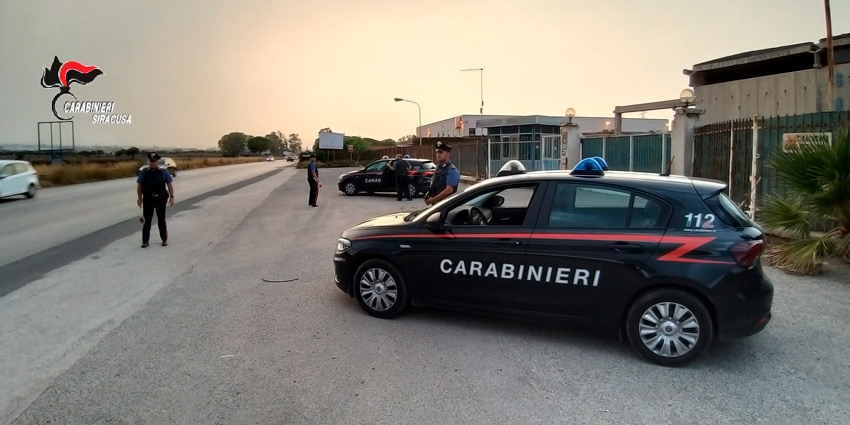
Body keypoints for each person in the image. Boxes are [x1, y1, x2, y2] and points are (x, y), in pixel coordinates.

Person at [136, 152, 175, 248]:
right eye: (151, 161)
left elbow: (169, 184)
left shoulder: (163, 172)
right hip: (148, 198)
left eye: (154, 161)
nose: (152, 163)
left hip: (161, 198)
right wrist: (139, 198)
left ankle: (164, 239)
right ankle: (145, 241)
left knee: (161, 219)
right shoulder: (144, 172)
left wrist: (172, 197)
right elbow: (139, 186)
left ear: (157, 162)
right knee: (147, 221)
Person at [424, 141, 460, 206]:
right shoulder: (438, 168)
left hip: (447, 206)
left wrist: (432, 200)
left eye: (440, 152)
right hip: (437, 205)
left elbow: (449, 190)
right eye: (437, 152)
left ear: (448, 154)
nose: (438, 155)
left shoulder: (452, 170)